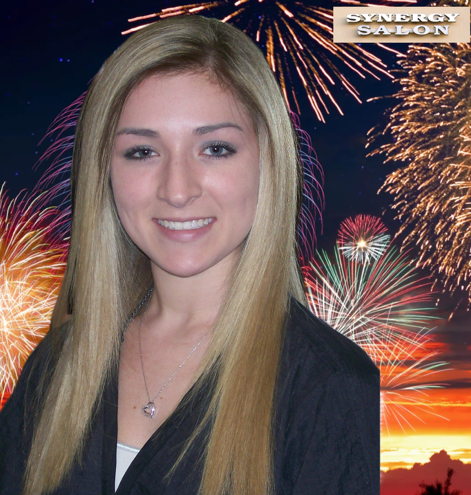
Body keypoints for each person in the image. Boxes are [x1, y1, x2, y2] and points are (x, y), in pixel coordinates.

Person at [0, 15, 380, 495]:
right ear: (104, 171)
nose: (177, 190)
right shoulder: (55, 368)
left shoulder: (328, 386)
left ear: (269, 161)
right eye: (142, 152)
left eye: (215, 148)